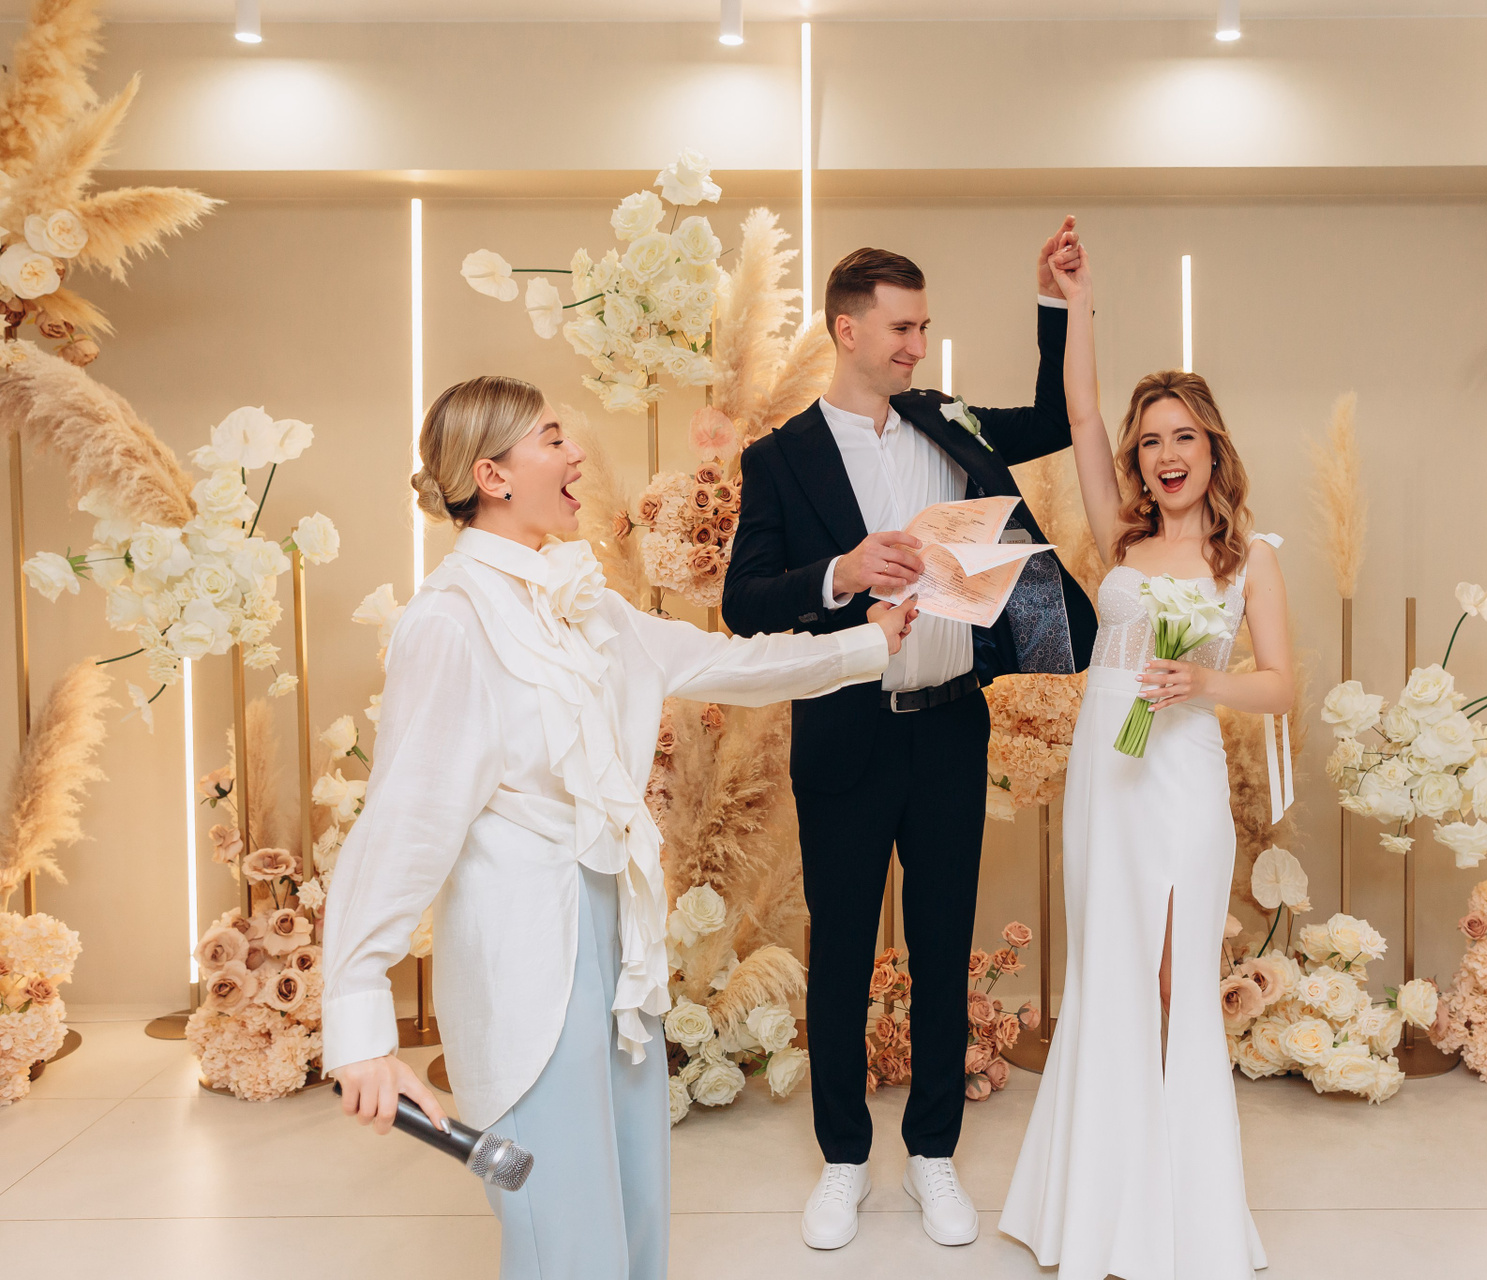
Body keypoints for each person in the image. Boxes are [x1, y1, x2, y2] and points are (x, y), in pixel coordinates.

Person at [322, 375, 915, 1280]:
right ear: (492, 476)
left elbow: (724, 663)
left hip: (618, 931)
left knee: (635, 1202)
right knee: (559, 1221)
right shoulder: (450, 620)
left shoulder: (586, 601)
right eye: (552, 438)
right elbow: (405, 820)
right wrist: (359, 1017)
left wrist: (868, 643)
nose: (576, 454)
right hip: (525, 949)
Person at [720, 224, 1098, 1251]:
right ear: (847, 329)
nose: (916, 346)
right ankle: (844, 1160)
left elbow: (1054, 417)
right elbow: (744, 603)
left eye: (923, 327)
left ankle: (934, 1153)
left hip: (950, 728)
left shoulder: (947, 419)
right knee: (841, 952)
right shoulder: (780, 458)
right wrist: (840, 572)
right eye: (900, 328)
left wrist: (1055, 303)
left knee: (941, 947)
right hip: (843, 732)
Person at [999, 244, 1292, 1278]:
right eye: (1152, 439)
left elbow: (1280, 685)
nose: (1166, 454)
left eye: (1184, 437)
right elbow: (1080, 415)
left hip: (1185, 772)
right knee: (1110, 968)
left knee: (1177, 975)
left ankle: (1185, 1208)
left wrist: (1205, 682)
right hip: (1107, 772)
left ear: (1213, 449)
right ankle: (1096, 1207)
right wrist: (1075, 303)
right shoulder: (1120, 540)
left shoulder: (1250, 559)